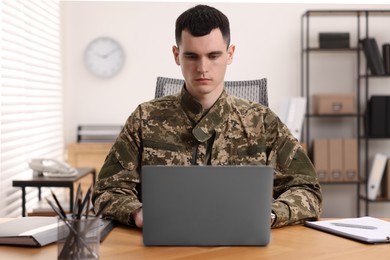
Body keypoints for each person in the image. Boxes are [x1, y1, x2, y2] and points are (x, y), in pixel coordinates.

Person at [92, 4, 322, 229]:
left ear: (230, 54)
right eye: (192, 56)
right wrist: (138, 213)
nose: (202, 68)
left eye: (213, 56)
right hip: (165, 245)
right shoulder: (144, 118)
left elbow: (307, 189)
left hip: (243, 244)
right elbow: (107, 190)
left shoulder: (262, 122)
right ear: (176, 55)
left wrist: (271, 215)